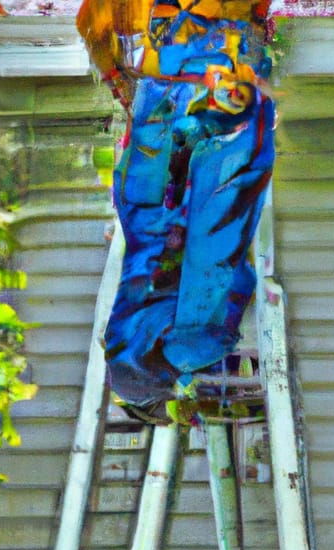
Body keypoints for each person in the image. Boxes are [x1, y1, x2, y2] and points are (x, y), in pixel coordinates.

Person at [77, 0, 276, 421]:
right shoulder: (120, 333)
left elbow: (230, 283)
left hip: (203, 161)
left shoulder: (184, 351)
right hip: (152, 178)